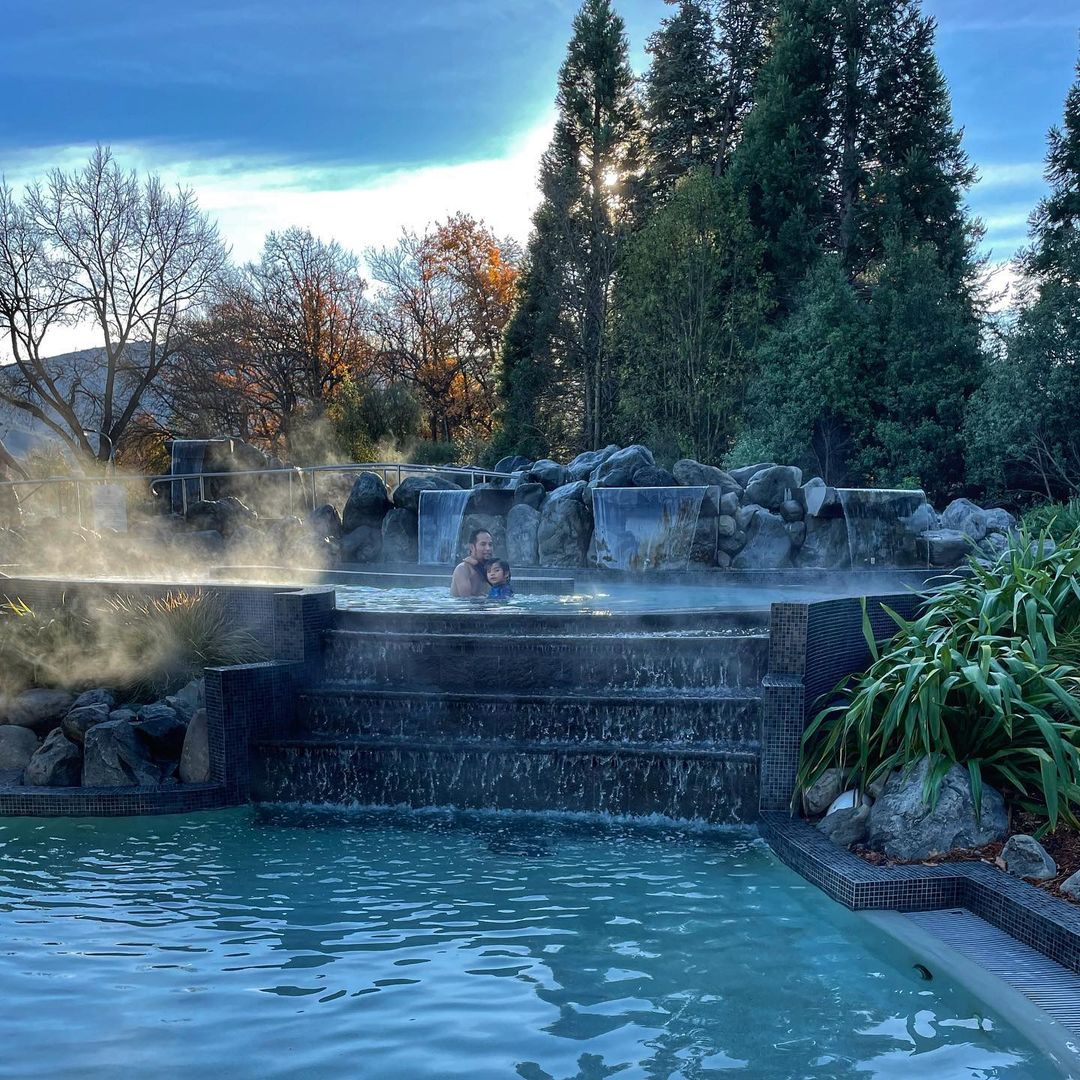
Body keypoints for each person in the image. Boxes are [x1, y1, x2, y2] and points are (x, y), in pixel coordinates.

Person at [450, 528, 494, 597]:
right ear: (472, 547)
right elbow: (466, 600)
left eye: (490, 544)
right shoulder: (463, 569)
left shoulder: (489, 569)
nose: (488, 548)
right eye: (483, 544)